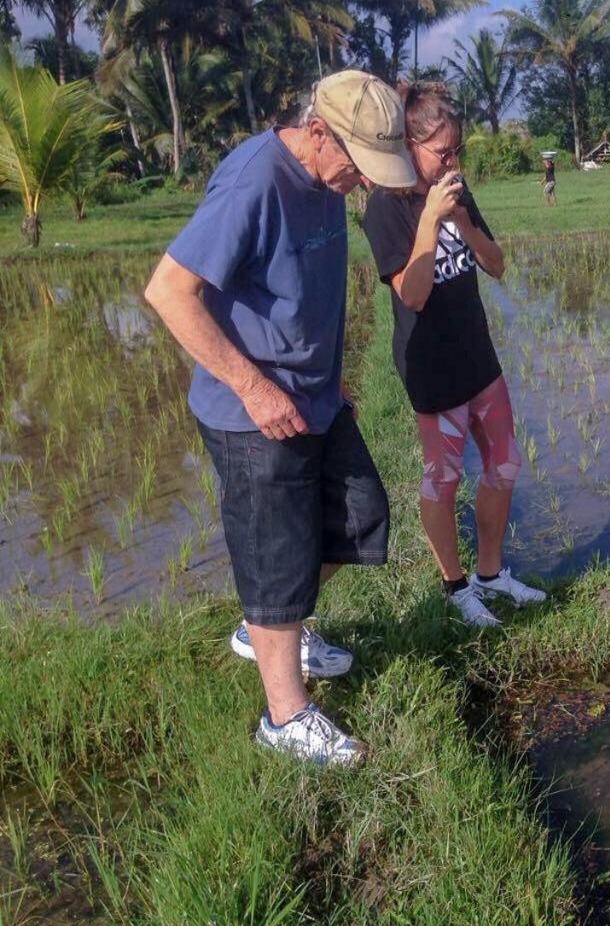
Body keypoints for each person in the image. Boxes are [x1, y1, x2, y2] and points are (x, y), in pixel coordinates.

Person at [144, 71, 418, 766]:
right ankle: (284, 716)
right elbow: (169, 291)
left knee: (359, 516)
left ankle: (273, 625)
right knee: (276, 556)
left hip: (316, 398)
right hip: (253, 412)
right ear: (319, 131)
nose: (360, 181)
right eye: (358, 165)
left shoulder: (325, 181)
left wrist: (329, 380)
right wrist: (253, 387)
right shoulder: (255, 181)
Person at [360, 82, 544, 627]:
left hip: (477, 352)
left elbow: (496, 263)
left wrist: (461, 219)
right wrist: (429, 221)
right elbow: (412, 293)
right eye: (443, 152)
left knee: (504, 463)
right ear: (409, 146)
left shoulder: (457, 191)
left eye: (456, 150)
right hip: (431, 364)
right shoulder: (383, 209)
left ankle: (490, 574)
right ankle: (455, 586)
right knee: (442, 478)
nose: (452, 161)